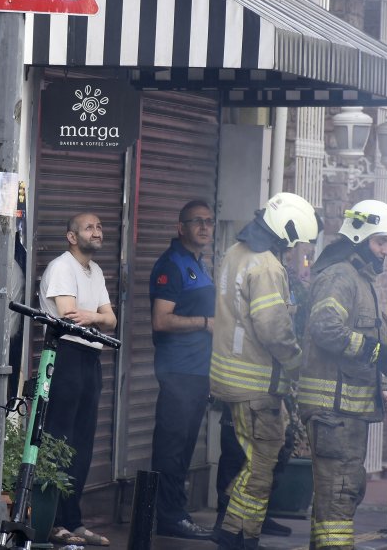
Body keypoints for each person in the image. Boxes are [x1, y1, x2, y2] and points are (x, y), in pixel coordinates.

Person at [299, 199, 387, 550]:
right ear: (358, 238)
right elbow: (325, 328)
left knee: (345, 492)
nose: (385, 251)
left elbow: (358, 349)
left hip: (347, 411)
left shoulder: (360, 280)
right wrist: (375, 350)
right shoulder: (340, 277)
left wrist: (379, 388)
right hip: (332, 412)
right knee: (339, 493)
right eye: (380, 242)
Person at [211, 193, 320, 550]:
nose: (296, 249)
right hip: (257, 383)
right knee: (262, 461)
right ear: (286, 231)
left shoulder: (234, 253)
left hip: (229, 376)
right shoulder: (267, 266)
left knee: (251, 456)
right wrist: (296, 363)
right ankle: (240, 535)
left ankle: (231, 528)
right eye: (297, 242)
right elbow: (273, 328)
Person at [39, 212, 117, 547]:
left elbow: (110, 321)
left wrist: (94, 318)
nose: (97, 232)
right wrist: (94, 318)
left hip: (91, 357)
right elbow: (71, 317)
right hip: (66, 355)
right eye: (89, 227)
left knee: (82, 442)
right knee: (58, 438)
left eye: (99, 227)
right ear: (72, 236)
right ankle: (50, 521)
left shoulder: (95, 271)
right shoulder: (62, 267)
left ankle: (74, 519)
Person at [149, 200, 216, 541]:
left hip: (197, 373)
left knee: (185, 445)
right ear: (181, 227)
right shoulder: (172, 265)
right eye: (196, 221)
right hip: (177, 371)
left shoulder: (198, 264)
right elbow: (161, 320)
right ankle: (169, 516)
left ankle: (177, 513)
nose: (204, 227)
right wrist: (206, 323)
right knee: (172, 447)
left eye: (208, 221)